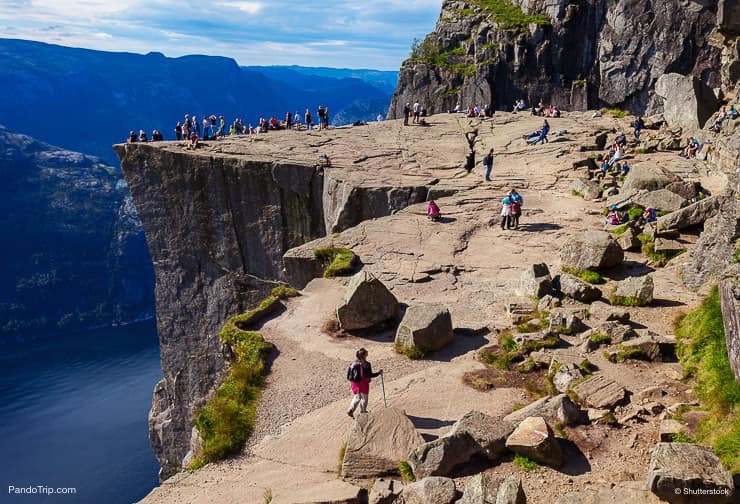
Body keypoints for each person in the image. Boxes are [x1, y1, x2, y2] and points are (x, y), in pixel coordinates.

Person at [346, 348, 382, 418]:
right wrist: (379, 373)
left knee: (357, 397)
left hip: (354, 384)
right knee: (364, 398)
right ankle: (363, 412)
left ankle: (350, 409)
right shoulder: (367, 364)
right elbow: (370, 375)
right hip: (363, 384)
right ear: (364, 355)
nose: (367, 353)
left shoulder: (353, 363)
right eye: (366, 352)